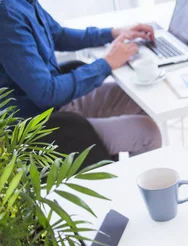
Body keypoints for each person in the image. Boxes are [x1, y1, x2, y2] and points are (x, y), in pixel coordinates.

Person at [0, 0, 162, 156]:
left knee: (135, 98)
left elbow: (58, 35)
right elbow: (47, 93)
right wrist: (106, 63)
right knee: (148, 132)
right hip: (43, 130)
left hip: (58, 105)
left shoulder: (24, 3)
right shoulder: (7, 15)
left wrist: (112, 33)